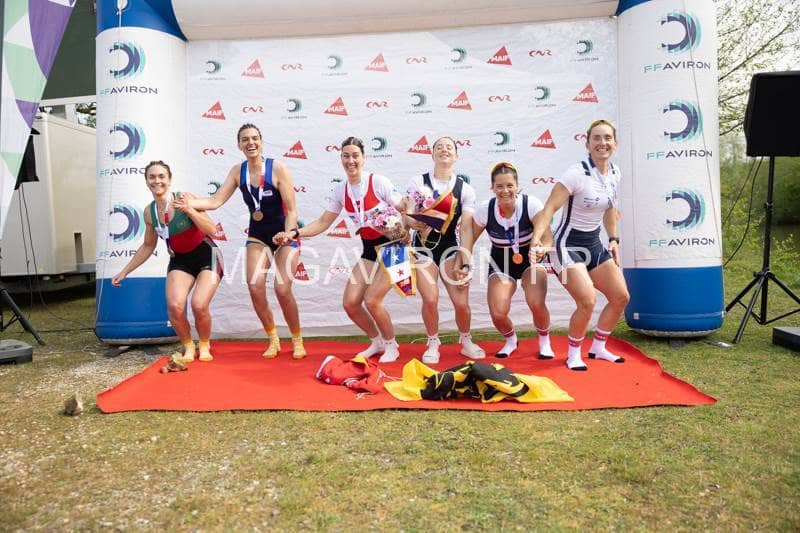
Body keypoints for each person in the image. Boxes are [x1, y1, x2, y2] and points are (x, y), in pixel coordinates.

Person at [176, 123, 306, 359]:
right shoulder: (238, 171)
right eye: (245, 139)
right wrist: (188, 203)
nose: (250, 143)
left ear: (261, 141)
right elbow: (215, 201)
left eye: (255, 138)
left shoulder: (278, 168)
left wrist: (288, 234)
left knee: (282, 288)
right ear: (239, 145)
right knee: (255, 287)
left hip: (285, 233)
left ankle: (297, 340)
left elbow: (292, 211)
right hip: (258, 235)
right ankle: (273, 339)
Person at [274, 137, 404, 363]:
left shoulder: (378, 182)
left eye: (355, 155)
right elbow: (323, 222)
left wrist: (406, 227)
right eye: (346, 156)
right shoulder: (341, 190)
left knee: (372, 300)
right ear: (341, 158)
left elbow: (404, 207)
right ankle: (377, 342)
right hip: (369, 250)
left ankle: (392, 345)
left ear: (363, 157)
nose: (350, 160)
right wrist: (294, 233)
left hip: (394, 247)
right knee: (351, 303)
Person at [530, 119, 630, 371]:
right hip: (566, 246)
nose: (602, 143)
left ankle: (598, 347)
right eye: (596, 138)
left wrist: (613, 239)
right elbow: (549, 208)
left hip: (594, 244)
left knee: (620, 297)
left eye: (607, 138)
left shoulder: (615, 173)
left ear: (615, 143)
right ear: (587, 144)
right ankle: (573, 354)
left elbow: (610, 209)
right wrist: (537, 239)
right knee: (587, 300)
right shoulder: (576, 173)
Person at [112, 160, 223, 362]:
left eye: (161, 176)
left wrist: (189, 210)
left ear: (170, 180)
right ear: (147, 182)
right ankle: (188, 346)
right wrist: (124, 271)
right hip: (180, 259)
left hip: (207, 254)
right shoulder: (149, 212)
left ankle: (204, 344)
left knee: (199, 304)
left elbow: (212, 229)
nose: (157, 181)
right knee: (174, 306)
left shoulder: (185, 198)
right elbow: (148, 246)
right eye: (152, 177)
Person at [403, 136, 486, 364]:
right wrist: (412, 222)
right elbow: (407, 214)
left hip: (450, 248)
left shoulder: (465, 189)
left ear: (456, 155)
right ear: (432, 154)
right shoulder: (418, 181)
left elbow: (466, 229)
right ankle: (433, 342)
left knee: (461, 303)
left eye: (449, 147)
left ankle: (466, 341)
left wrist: (465, 261)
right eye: (439, 147)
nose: (444, 150)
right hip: (423, 249)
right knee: (430, 299)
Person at [459, 162, 554, 359]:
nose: (505, 190)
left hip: (530, 258)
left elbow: (547, 238)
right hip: (501, 260)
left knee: (536, 302)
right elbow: (469, 238)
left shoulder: (531, 204)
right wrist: (464, 263)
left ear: (517, 186)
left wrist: (542, 249)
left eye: (510, 185)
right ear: (492, 188)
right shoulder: (486, 209)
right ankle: (511, 340)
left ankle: (544, 341)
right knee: (498, 312)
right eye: (499, 186)